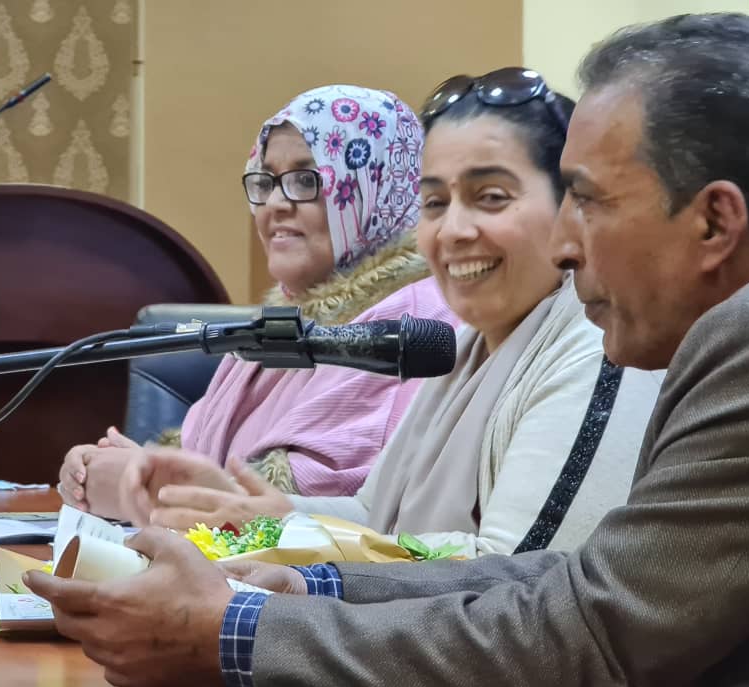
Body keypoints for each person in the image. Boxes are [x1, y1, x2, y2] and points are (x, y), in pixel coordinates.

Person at [26, 14, 749, 687]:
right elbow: (588, 580)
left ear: (715, 221)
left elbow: (589, 639)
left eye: (589, 200)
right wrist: (313, 585)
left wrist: (232, 633)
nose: (567, 243)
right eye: (433, 200)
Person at [115, 68, 663, 558]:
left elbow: (512, 578)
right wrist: (254, 516)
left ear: (572, 207)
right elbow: (372, 516)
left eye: (491, 197)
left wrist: (292, 580)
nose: (453, 231)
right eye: (435, 203)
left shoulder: (594, 351)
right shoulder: (461, 347)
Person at [56, 85, 455, 516]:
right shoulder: (278, 325)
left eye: (306, 179)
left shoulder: (414, 320)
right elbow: (203, 464)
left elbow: (326, 510)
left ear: (377, 187)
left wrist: (150, 486)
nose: (275, 204)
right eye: (266, 181)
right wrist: (123, 468)